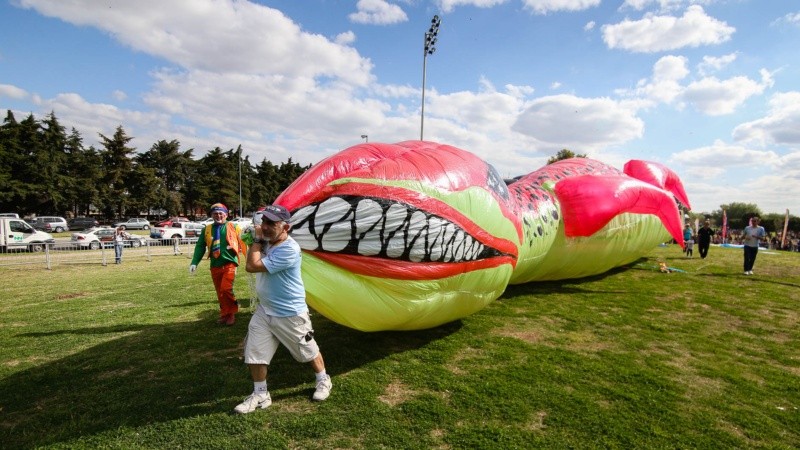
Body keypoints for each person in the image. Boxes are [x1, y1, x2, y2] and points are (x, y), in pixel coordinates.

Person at [234, 204, 332, 414]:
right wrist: (253, 239)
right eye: (264, 222)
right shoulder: (268, 242)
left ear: (285, 227)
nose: (265, 227)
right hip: (265, 310)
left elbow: (252, 266)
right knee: (255, 352)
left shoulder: (289, 248)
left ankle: (323, 379)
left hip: (290, 312)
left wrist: (257, 241)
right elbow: (251, 249)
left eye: (272, 223)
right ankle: (261, 394)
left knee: (307, 351)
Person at [189, 203, 247, 326]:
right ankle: (224, 313)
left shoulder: (234, 227)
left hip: (230, 263)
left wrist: (251, 260)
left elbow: (244, 242)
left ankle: (231, 313)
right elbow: (200, 247)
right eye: (215, 213)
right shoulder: (207, 229)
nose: (218, 216)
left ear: (226, 214)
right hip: (215, 264)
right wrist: (194, 262)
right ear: (211, 215)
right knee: (219, 292)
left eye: (221, 213)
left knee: (226, 289)